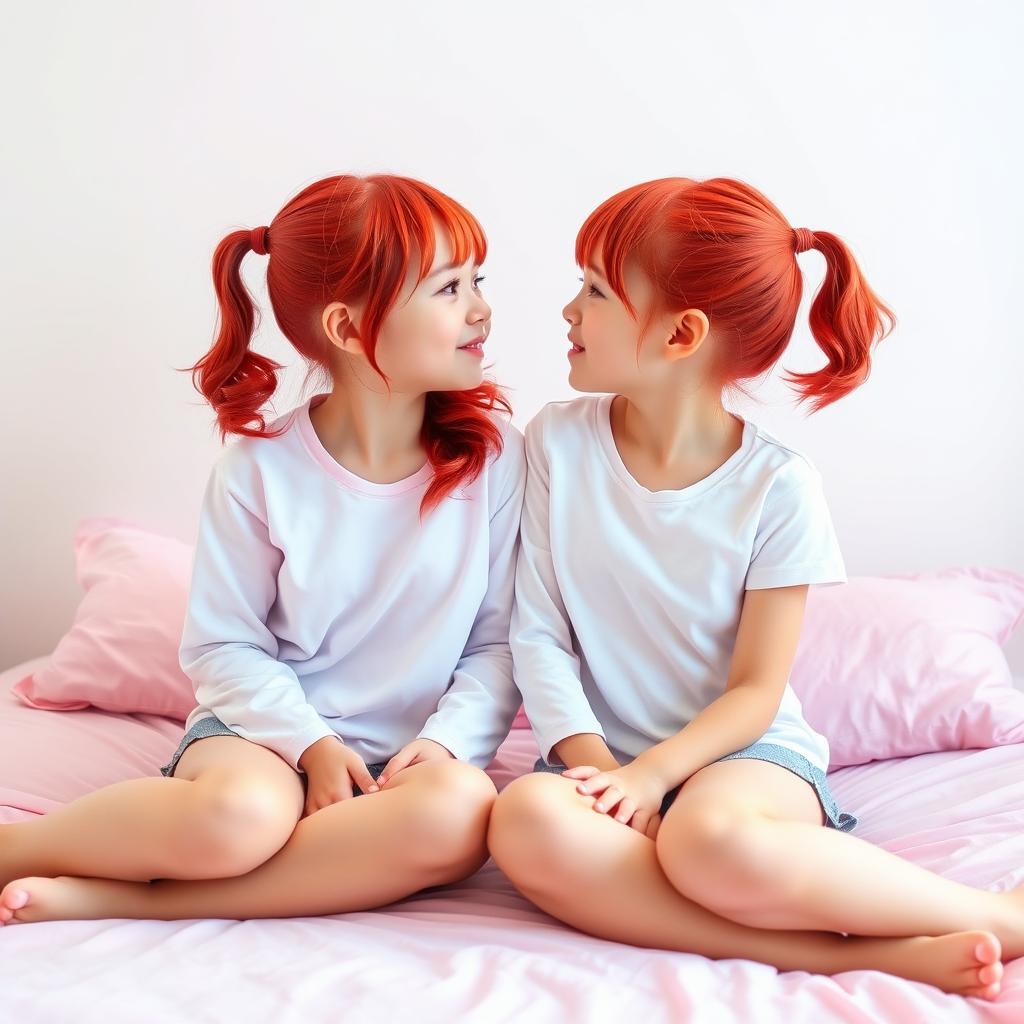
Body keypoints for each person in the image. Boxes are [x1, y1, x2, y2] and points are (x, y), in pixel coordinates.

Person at [487, 176, 1013, 999]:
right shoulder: (556, 444)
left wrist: (657, 778)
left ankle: (996, 913)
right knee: (523, 821)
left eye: (593, 289)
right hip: (608, 760)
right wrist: (604, 777)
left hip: (745, 756)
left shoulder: (778, 486)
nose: (568, 311)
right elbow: (540, 637)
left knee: (706, 843)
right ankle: (851, 957)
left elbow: (757, 690)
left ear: (680, 333)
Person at [0, 173, 525, 925]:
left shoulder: (497, 459)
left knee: (462, 815)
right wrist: (309, 745)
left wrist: (444, 745)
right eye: (449, 289)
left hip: (414, 759)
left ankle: (123, 902)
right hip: (267, 738)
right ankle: (17, 848)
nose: (482, 309)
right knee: (240, 820)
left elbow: (499, 642)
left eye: (478, 280)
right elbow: (224, 648)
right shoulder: (259, 471)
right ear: (348, 329)